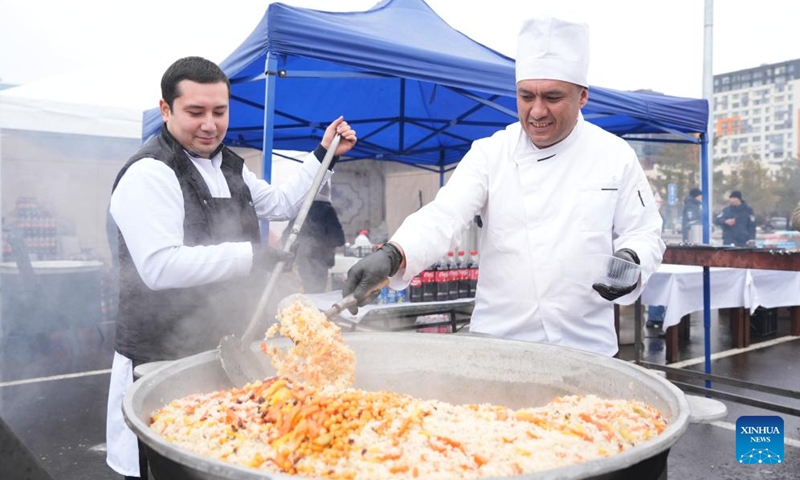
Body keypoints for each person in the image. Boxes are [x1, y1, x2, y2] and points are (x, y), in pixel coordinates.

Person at [342, 17, 664, 357]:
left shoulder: (614, 155)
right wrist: (393, 254)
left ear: (582, 96)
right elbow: (444, 216)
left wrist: (629, 259)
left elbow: (644, 233)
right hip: (500, 347)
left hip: (586, 347)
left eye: (553, 97)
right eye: (526, 96)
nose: (537, 111)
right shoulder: (491, 153)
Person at [105, 56, 356, 480]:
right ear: (166, 110)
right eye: (195, 112)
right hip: (160, 358)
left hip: (221, 349)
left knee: (221, 457)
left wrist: (323, 153)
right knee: (166, 465)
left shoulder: (229, 165)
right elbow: (158, 267)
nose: (210, 124)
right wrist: (249, 256)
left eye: (219, 112)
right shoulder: (149, 173)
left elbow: (282, 204)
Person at [285, 180, 345, 293]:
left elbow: (288, 235)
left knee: (307, 291)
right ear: (325, 190)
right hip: (321, 260)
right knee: (318, 292)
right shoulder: (327, 210)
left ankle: (306, 310)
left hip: (302, 260)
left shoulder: (301, 209)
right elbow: (339, 238)